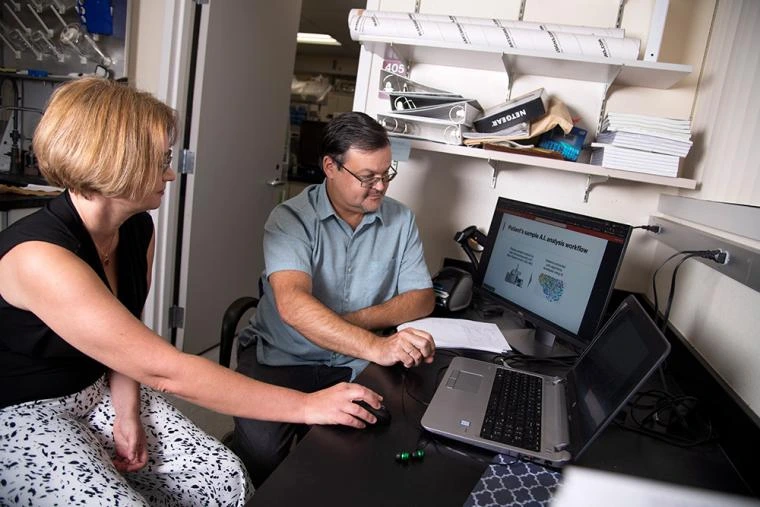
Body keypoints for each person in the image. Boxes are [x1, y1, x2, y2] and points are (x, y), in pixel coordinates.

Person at [0, 78, 384, 506]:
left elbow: (125, 341)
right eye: (161, 158)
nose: (170, 171)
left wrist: (127, 410)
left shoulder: (136, 228)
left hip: (100, 387)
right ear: (114, 159)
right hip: (24, 410)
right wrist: (308, 406)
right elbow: (167, 371)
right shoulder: (39, 257)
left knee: (226, 480)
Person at [233, 111, 436, 486]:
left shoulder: (401, 220)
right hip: (283, 358)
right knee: (262, 458)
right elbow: (293, 307)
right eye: (367, 177)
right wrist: (376, 346)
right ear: (330, 166)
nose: (380, 187)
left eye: (386, 174)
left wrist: (350, 324)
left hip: (351, 363)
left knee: (363, 454)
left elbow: (422, 298)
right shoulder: (289, 219)